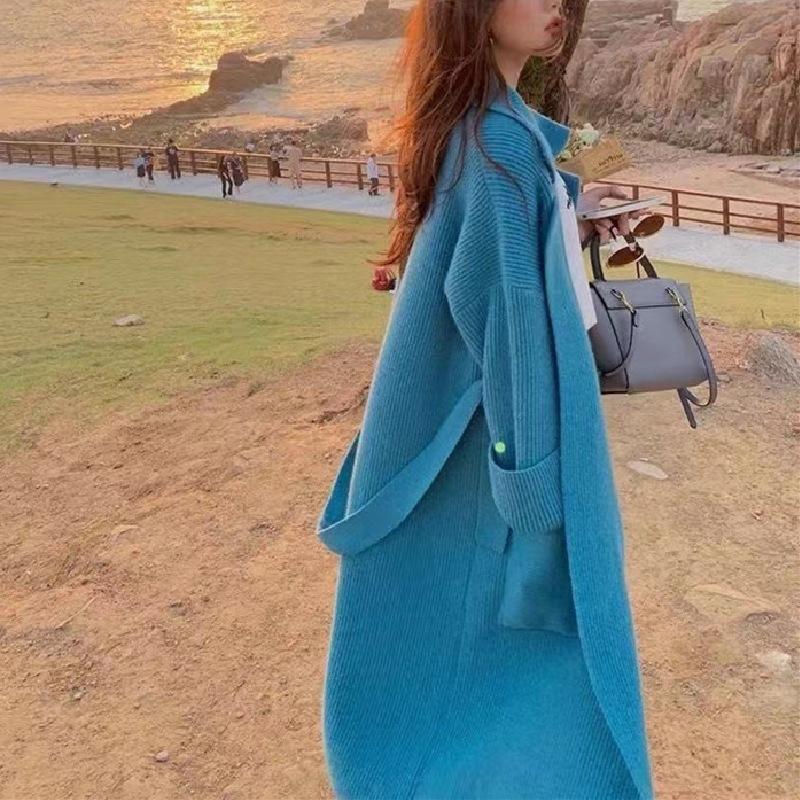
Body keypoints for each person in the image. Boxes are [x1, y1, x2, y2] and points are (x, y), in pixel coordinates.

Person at [315, 2, 654, 800]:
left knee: (470, 648)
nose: (556, 4)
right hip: (500, 439)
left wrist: (573, 210)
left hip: (465, 428)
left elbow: (508, 234)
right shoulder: (497, 145)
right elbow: (509, 332)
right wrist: (533, 490)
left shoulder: (475, 122)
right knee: (550, 654)